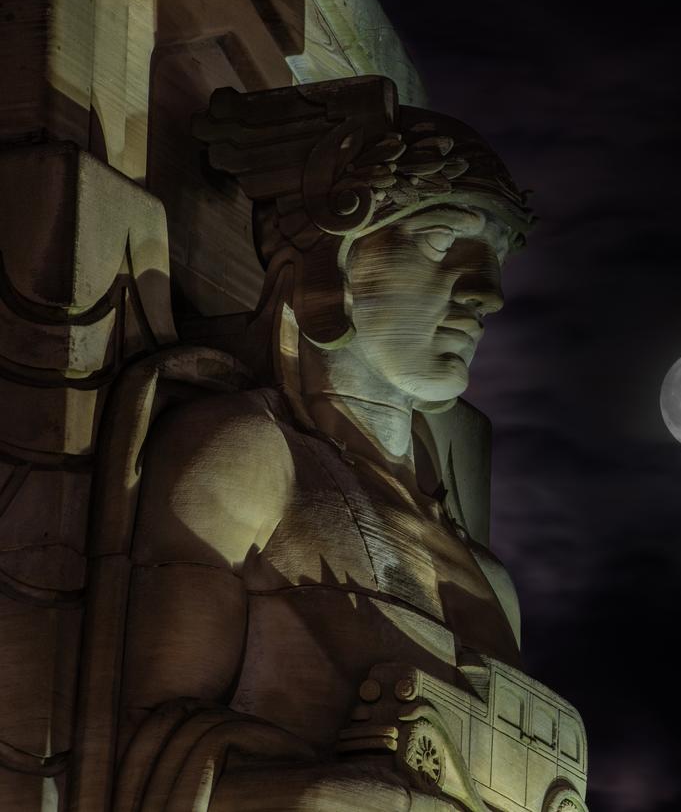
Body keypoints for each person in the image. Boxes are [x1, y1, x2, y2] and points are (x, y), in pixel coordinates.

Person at [99, 77, 541, 811]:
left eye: (493, 257)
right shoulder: (249, 456)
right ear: (333, 250)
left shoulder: (492, 581)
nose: (487, 291)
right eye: (440, 239)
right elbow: (141, 763)